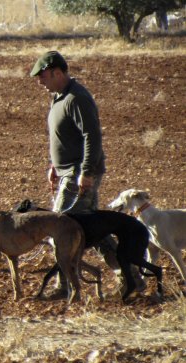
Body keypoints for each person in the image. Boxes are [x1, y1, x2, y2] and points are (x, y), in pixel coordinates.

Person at [30, 51, 144, 297]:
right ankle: (131, 277)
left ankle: (65, 286)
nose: (40, 81)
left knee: (61, 227)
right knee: (92, 230)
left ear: (57, 72)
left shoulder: (77, 97)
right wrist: (54, 166)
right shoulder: (59, 97)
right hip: (67, 172)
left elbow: (91, 137)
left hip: (78, 174)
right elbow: (63, 137)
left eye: (42, 76)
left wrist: (86, 172)